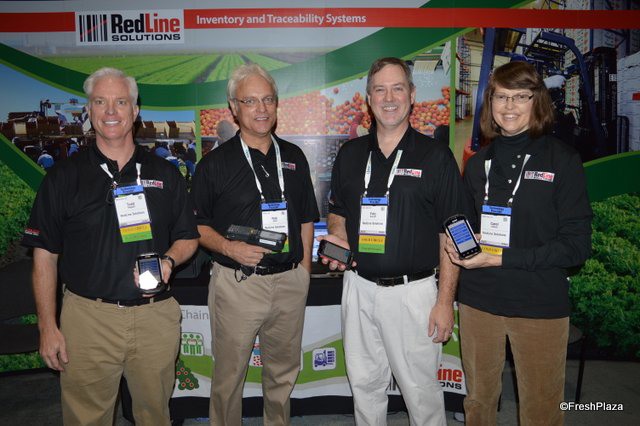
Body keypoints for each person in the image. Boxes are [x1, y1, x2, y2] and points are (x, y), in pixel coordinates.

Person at [22, 67, 199, 425]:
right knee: (86, 418)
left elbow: (188, 237)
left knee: (155, 415)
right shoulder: (63, 177)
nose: (111, 111)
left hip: (154, 318)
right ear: (89, 110)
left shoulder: (164, 173)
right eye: (100, 102)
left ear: (136, 110)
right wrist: (47, 327)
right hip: (88, 319)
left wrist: (168, 261)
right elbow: (44, 257)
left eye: (121, 102)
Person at [320, 57, 466, 425]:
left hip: (413, 294)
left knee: (421, 392)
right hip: (358, 288)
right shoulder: (350, 154)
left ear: (412, 95)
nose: (389, 98)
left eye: (397, 88)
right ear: (368, 98)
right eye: (380, 90)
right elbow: (337, 210)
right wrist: (338, 234)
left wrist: (444, 302)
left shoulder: (436, 156)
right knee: (364, 385)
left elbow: (451, 231)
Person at [446, 61, 592, 426]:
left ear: (536, 101)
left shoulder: (563, 160)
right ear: (490, 103)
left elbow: (576, 247)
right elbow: (468, 228)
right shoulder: (478, 164)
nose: (509, 106)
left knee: (542, 408)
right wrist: (460, 245)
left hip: (539, 303)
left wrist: (501, 258)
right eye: (501, 96)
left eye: (521, 96)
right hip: (479, 302)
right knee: (478, 404)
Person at [190, 63, 319, 425]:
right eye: (250, 101)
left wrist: (304, 272)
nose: (261, 108)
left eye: (268, 99)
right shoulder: (214, 164)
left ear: (276, 104)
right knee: (229, 375)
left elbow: (307, 218)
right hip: (238, 285)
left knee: (283, 373)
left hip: (289, 282)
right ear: (234, 108)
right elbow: (195, 225)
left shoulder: (293, 156)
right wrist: (228, 248)